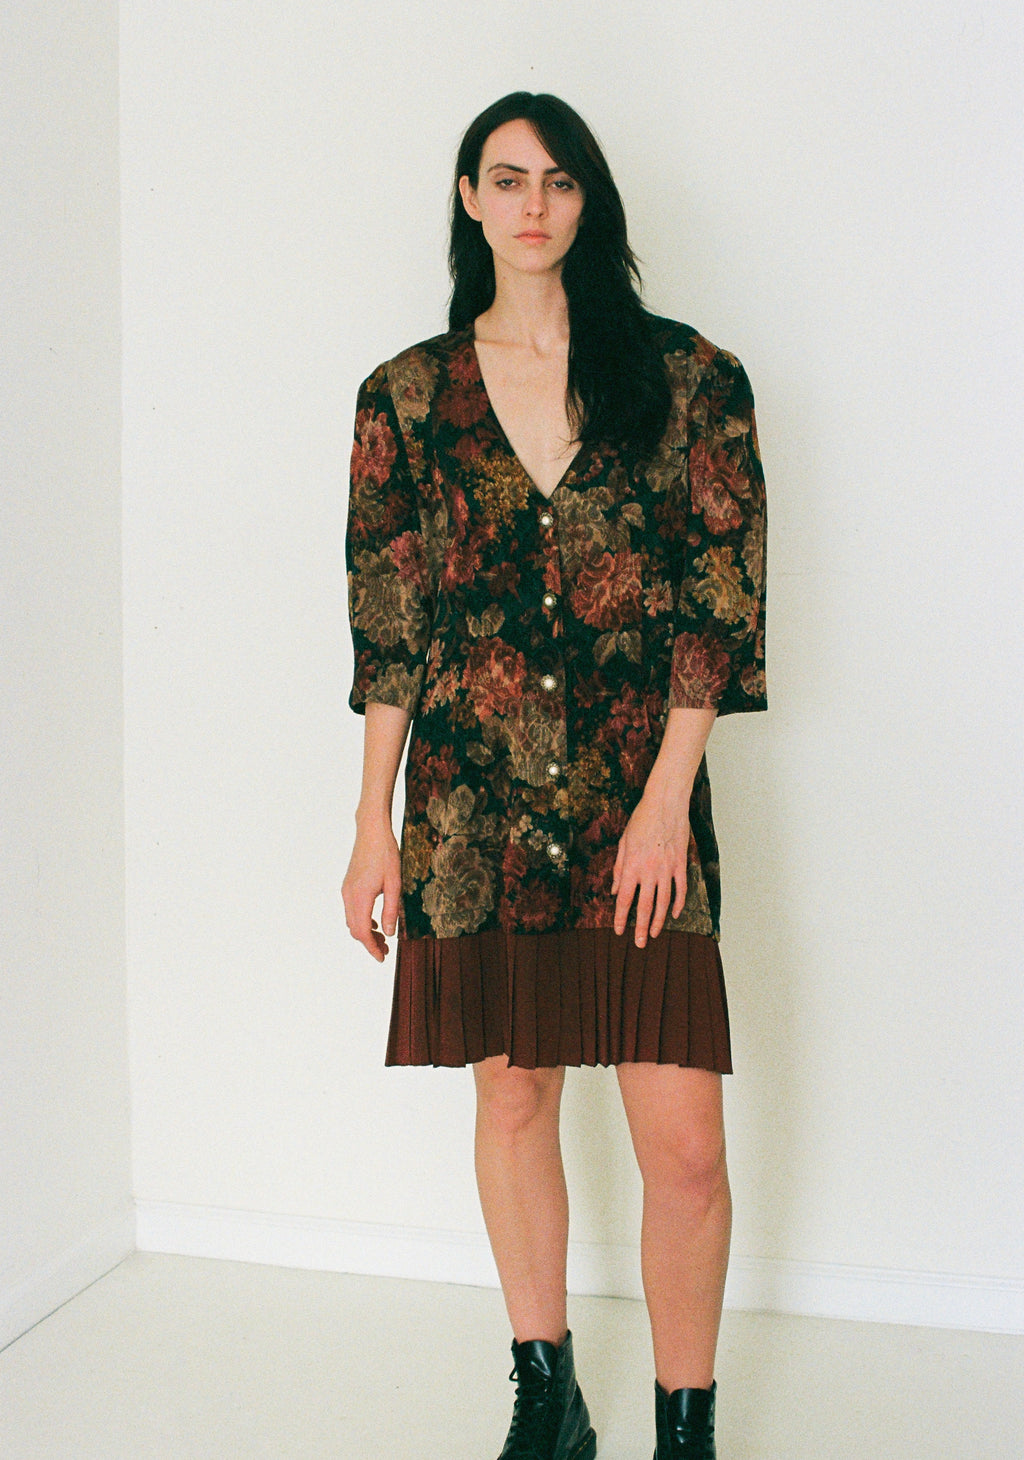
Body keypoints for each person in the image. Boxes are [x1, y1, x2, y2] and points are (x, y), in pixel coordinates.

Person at [342, 91, 766, 1460]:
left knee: (684, 1146)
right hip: (470, 808)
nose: (534, 206)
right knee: (514, 1092)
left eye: (560, 181)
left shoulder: (692, 379)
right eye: (507, 180)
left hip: (636, 811)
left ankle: (686, 1430)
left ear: (591, 203)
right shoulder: (404, 396)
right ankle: (545, 1394)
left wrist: (664, 806)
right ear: (469, 198)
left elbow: (717, 605)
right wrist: (370, 826)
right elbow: (391, 622)